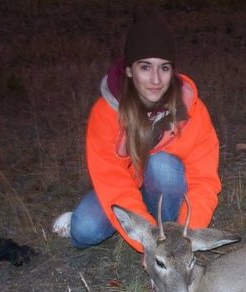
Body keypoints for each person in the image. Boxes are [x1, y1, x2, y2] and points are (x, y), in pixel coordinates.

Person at [52, 6, 221, 252]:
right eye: (145, 67)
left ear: (173, 71)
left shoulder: (191, 109)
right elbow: (113, 181)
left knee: (162, 164)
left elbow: (204, 180)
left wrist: (185, 238)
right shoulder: (106, 112)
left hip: (165, 186)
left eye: (164, 67)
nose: (155, 79)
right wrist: (149, 244)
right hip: (124, 186)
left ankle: (167, 229)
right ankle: (147, 220)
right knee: (85, 228)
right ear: (129, 70)